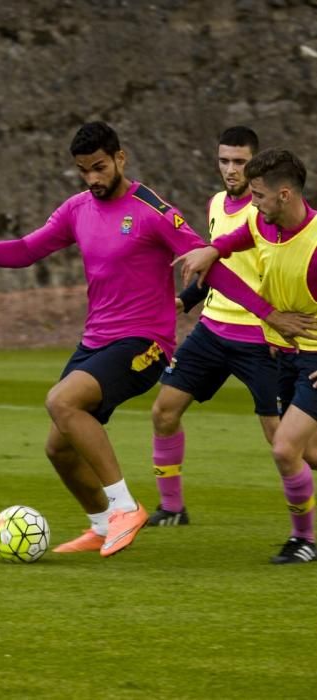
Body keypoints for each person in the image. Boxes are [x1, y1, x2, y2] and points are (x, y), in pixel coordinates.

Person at [0, 123, 315, 559]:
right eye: (83, 170)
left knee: (61, 401)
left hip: (144, 342)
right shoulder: (76, 209)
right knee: (58, 447)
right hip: (95, 341)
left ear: (120, 159)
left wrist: (269, 314)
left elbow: (211, 268)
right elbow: (25, 250)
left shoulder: (153, 210)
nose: (92, 178)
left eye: (99, 167)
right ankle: (100, 523)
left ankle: (125, 508)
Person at [173, 147, 317, 564]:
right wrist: (213, 250)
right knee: (308, 453)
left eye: (258, 195)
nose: (251, 204)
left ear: (285, 195)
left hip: (313, 362)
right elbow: (240, 237)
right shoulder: (262, 223)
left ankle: (304, 539)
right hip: (284, 357)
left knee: (285, 449)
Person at [148, 126, 281, 528]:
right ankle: (172, 508)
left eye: (239, 162)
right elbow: (214, 267)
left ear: (255, 164)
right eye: (224, 160)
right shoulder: (216, 204)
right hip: (212, 331)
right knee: (164, 411)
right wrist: (183, 301)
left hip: (261, 339)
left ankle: (304, 531)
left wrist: (280, 330)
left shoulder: (270, 214)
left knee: (284, 442)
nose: (230, 169)